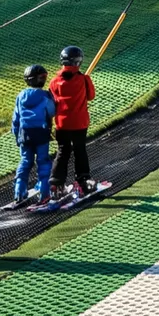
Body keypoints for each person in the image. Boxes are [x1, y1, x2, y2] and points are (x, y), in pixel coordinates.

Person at [49, 46, 96, 202]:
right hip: (79, 123)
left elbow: (52, 100)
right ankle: (83, 179)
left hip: (62, 124)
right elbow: (91, 96)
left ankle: (56, 183)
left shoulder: (54, 81)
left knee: (62, 152)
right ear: (79, 61)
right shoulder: (83, 79)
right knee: (80, 150)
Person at [6, 64, 55, 209]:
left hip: (24, 134)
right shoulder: (45, 95)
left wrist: (17, 136)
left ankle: (19, 191)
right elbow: (51, 112)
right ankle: (44, 192)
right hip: (41, 132)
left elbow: (16, 118)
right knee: (43, 161)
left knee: (25, 161)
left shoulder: (20, 96)